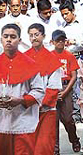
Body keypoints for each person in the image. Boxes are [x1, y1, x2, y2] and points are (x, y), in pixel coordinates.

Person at [0, 23, 44, 154]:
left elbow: (39, 91)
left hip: (22, 120)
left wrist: (20, 100)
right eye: (6, 36)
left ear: (20, 40)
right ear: (1, 39)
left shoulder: (31, 65)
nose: (9, 39)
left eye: (13, 36)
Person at [25, 23, 62, 155]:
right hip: (27, 110)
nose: (34, 38)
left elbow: (53, 87)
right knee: (27, 146)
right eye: (31, 35)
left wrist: (39, 104)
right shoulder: (23, 57)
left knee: (44, 147)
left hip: (46, 110)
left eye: (37, 34)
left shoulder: (52, 59)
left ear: (43, 36)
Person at [51, 30, 81, 155]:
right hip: (52, 88)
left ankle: (74, 139)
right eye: (57, 40)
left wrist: (65, 92)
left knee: (67, 118)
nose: (60, 43)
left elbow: (74, 76)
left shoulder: (69, 56)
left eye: (62, 40)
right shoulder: (49, 55)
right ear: (52, 42)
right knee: (54, 121)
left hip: (65, 87)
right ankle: (55, 149)